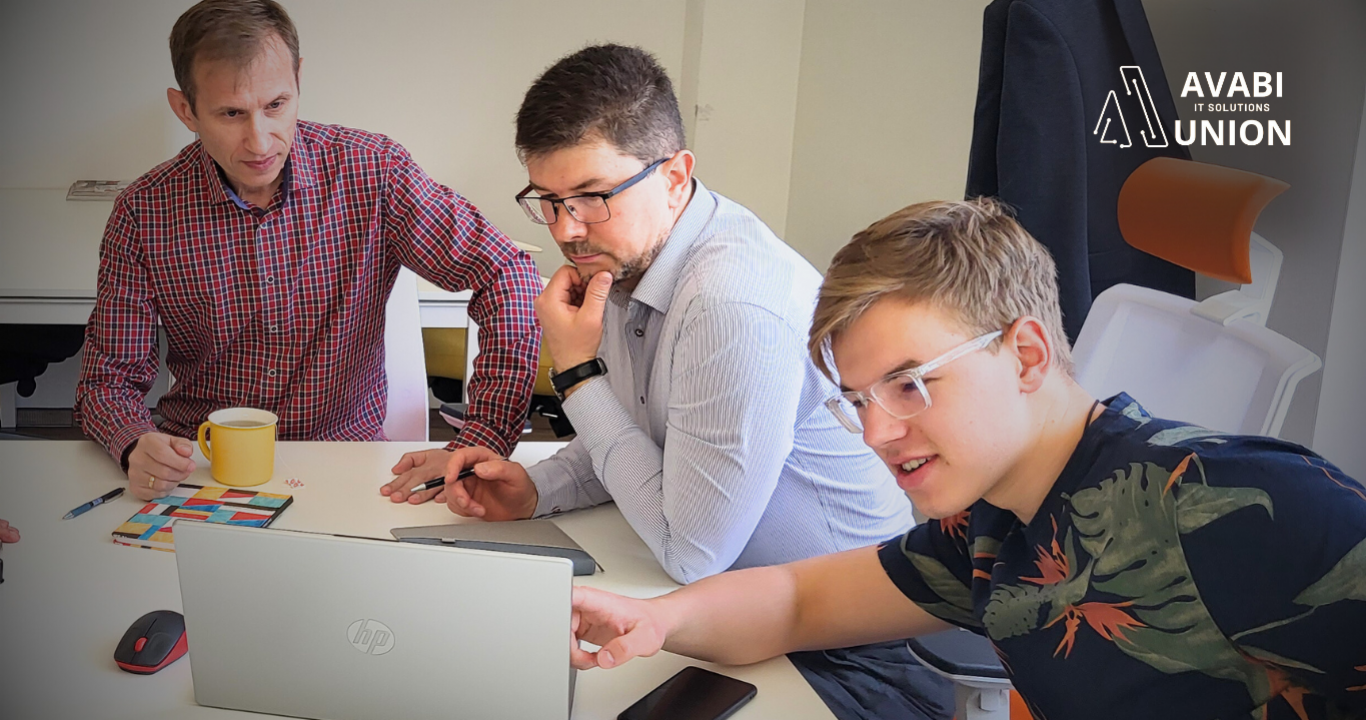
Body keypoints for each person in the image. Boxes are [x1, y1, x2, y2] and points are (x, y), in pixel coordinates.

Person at [563, 199, 1366, 720]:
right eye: (858, 399)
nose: (875, 434)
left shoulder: (1239, 499)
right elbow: (798, 602)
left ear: (1024, 355)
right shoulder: (993, 527)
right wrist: (657, 620)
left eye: (909, 385)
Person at [382, 43, 945, 720]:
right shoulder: (626, 259)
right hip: (738, 612)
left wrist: (576, 372)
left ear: (676, 175)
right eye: (549, 201)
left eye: (592, 197)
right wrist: (537, 488)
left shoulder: (730, 303)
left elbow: (692, 550)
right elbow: (639, 435)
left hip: (853, 651)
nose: (567, 229)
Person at [75, 0, 542, 503]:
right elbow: (107, 380)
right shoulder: (144, 211)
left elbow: (507, 272)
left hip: (347, 464)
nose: (259, 141)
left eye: (276, 105)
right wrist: (132, 444)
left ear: (298, 80)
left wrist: (483, 438)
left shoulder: (372, 172)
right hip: (204, 468)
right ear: (185, 108)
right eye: (231, 113)